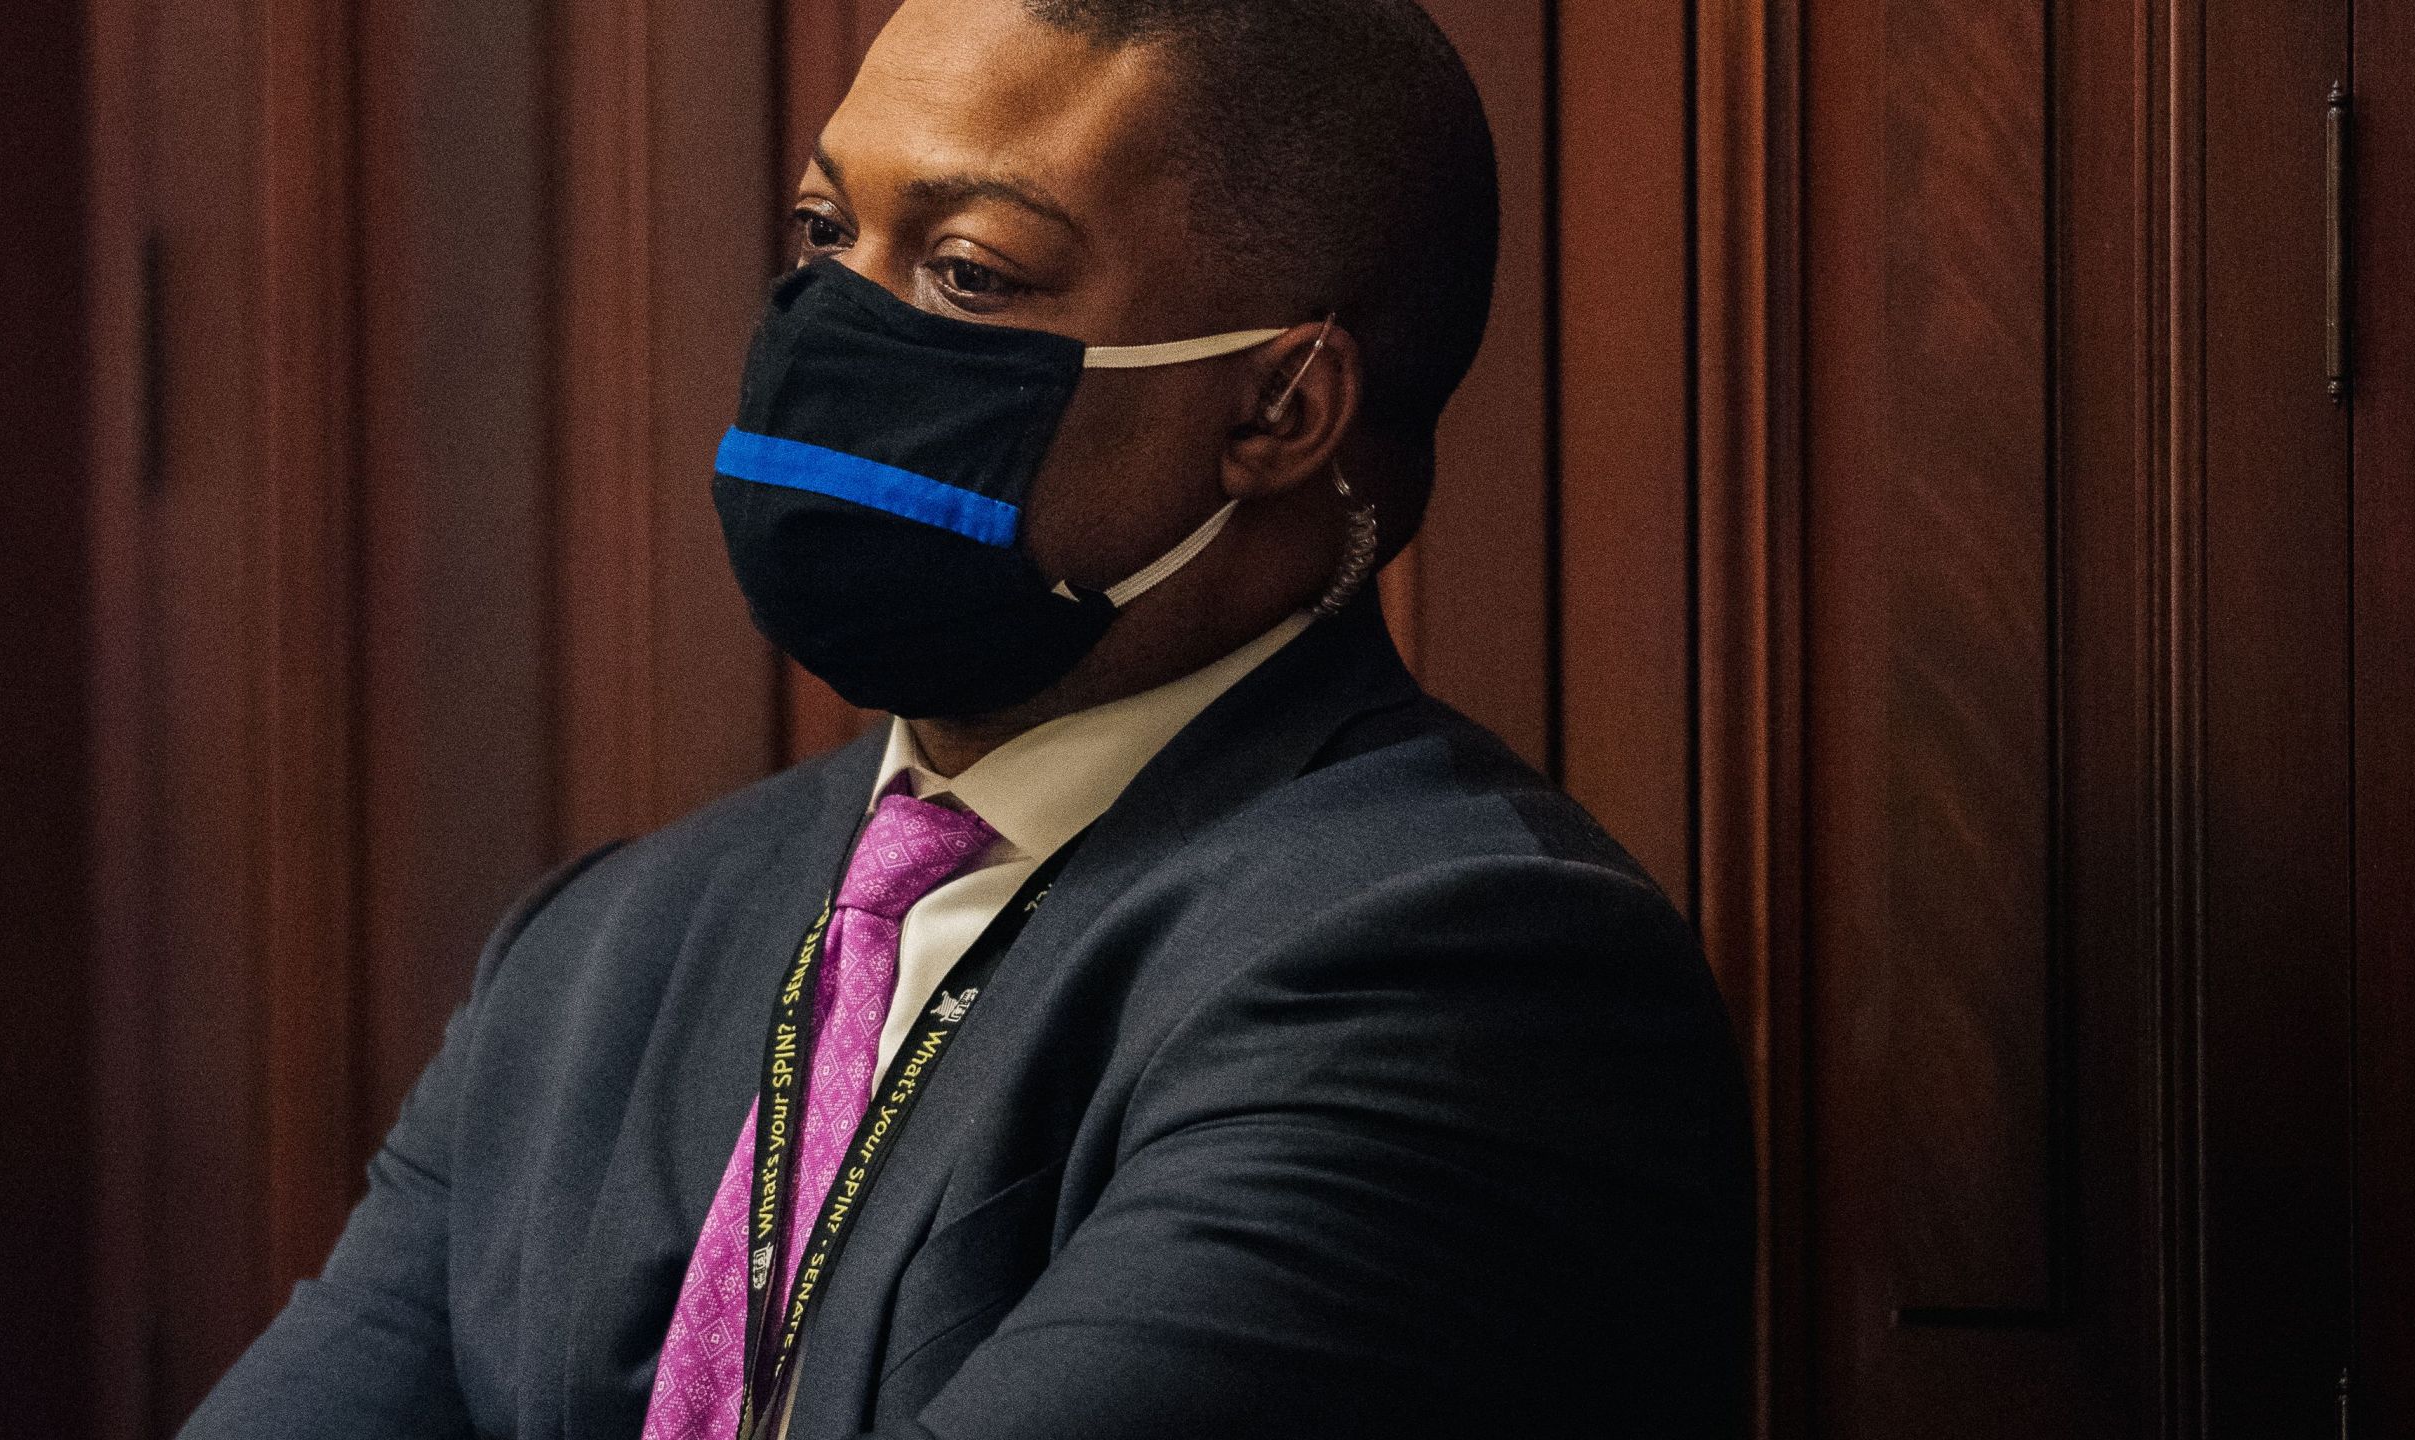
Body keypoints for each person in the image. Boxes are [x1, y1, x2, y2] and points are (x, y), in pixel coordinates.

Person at [181, 1, 1753, 1436]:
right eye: (822, 233)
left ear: (1279, 408)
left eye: (968, 273)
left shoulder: (1457, 962)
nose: (831, 338)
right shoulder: (602, 953)